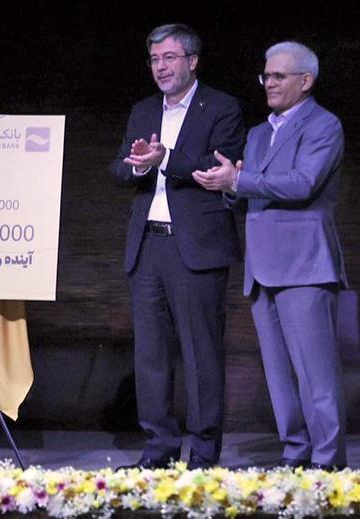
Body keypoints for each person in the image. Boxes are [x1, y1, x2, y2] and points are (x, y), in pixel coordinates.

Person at [193, 41, 347, 471]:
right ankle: (295, 452)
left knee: (315, 372)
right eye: (266, 76)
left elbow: (302, 183)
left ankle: (327, 460)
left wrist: (239, 182)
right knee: (279, 375)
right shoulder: (259, 134)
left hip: (305, 265)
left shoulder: (324, 125)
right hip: (262, 266)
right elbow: (250, 193)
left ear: (306, 80)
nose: (269, 83)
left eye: (279, 76)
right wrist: (227, 187)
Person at [110, 23, 245, 469]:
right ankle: (159, 449)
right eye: (154, 59)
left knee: (201, 353)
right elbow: (119, 167)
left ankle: (203, 452)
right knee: (151, 354)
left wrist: (165, 158)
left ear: (192, 60)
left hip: (196, 248)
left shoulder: (221, 107)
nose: (161, 67)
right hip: (147, 246)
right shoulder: (143, 110)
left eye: (169, 57)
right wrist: (137, 166)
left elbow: (217, 165)